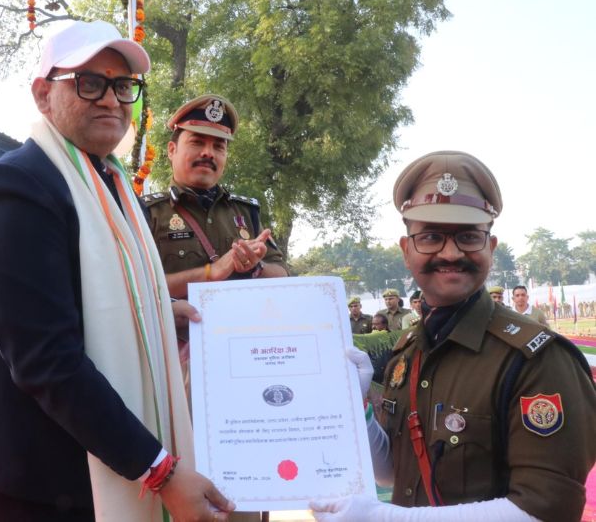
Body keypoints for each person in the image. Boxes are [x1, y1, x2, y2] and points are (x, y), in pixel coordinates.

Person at [0, 20, 234, 522]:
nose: (110, 99)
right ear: (43, 94)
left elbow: (90, 297)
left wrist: (157, 312)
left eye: (123, 86)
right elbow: (45, 358)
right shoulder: (13, 187)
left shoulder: (112, 185)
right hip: (39, 474)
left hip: (100, 455)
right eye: (89, 82)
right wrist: (161, 473)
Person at [311, 151, 596, 522]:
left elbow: (546, 509)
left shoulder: (536, 359)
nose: (450, 253)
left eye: (468, 237)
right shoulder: (407, 353)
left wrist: (383, 519)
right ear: (406, 250)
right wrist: (357, 406)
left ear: (490, 248)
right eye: (430, 237)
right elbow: (396, 471)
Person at [145, 94, 288, 300]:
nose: (208, 153)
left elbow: (283, 275)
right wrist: (210, 273)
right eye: (197, 142)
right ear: (171, 150)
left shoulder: (246, 212)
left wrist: (256, 267)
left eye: (219, 146)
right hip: (178, 322)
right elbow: (135, 288)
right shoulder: (148, 213)